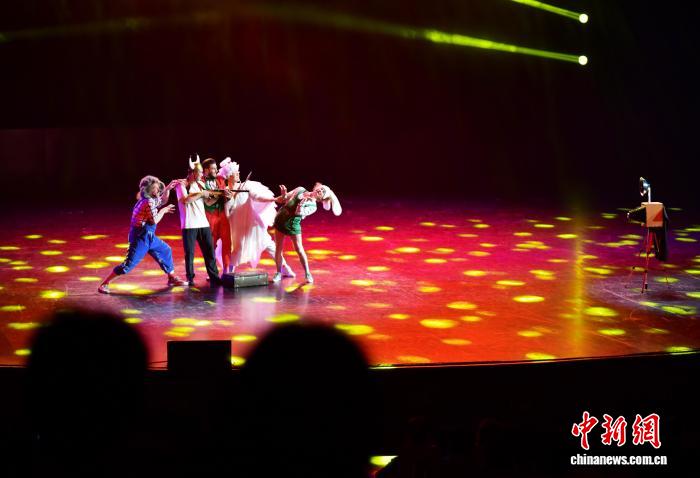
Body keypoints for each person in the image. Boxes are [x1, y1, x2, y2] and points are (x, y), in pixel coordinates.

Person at [98, 175, 186, 294]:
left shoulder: (150, 199)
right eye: (155, 188)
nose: (158, 190)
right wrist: (163, 211)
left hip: (149, 236)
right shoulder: (147, 202)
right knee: (128, 265)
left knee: (165, 250)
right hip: (140, 237)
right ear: (149, 190)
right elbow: (154, 220)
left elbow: (163, 200)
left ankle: (171, 277)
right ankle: (104, 284)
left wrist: (168, 188)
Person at [218, 158, 294, 276]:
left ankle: (284, 267)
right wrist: (230, 199)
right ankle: (228, 273)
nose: (238, 173)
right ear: (229, 176)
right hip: (236, 226)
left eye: (238, 172)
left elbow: (257, 197)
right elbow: (227, 211)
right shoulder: (226, 192)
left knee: (267, 244)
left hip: (253, 223)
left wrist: (274, 199)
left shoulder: (246, 186)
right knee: (236, 248)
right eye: (235, 172)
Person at [272, 182, 342, 284]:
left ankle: (307, 273)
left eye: (323, 192)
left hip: (293, 224)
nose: (320, 190)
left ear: (321, 199)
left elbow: (299, 213)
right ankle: (278, 272)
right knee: (278, 248)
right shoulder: (300, 189)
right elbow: (285, 199)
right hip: (280, 219)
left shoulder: (313, 206)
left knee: (299, 249)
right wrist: (284, 194)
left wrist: (299, 208)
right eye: (321, 188)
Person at [175, 155, 221, 287]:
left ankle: (214, 277)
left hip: (203, 224)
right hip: (189, 225)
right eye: (200, 172)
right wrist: (202, 193)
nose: (202, 174)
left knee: (209, 252)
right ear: (192, 172)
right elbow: (185, 200)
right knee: (190, 254)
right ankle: (190, 278)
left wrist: (220, 195)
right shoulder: (181, 185)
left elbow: (208, 202)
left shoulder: (200, 184)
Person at [200, 157, 232, 275]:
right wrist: (220, 194)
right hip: (209, 216)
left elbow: (225, 196)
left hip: (222, 215)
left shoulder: (220, 179)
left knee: (227, 243)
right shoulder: (201, 182)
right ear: (206, 170)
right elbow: (207, 201)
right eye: (213, 168)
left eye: (216, 168)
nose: (216, 170)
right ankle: (212, 272)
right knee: (210, 246)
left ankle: (226, 271)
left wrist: (228, 197)